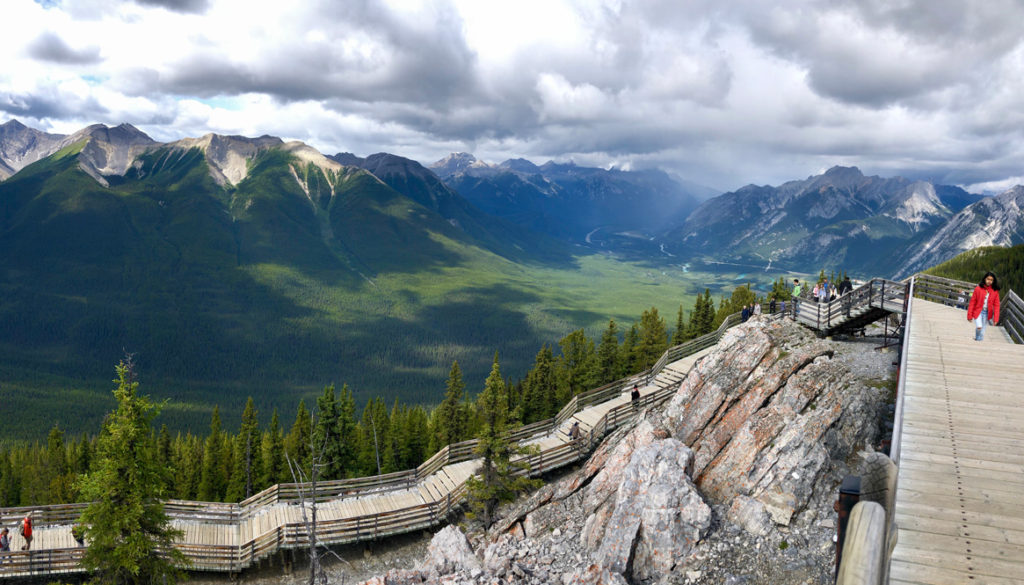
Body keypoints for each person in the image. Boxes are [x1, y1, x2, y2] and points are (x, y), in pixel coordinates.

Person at [967, 272, 1001, 341]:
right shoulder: (978, 289)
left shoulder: (995, 291)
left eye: (991, 280)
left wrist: (996, 318)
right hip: (978, 311)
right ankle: (978, 340)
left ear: (993, 281)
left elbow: (997, 305)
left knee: (982, 331)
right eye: (988, 279)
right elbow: (972, 302)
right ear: (984, 279)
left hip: (987, 313)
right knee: (979, 326)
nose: (989, 281)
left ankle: (978, 341)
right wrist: (969, 315)